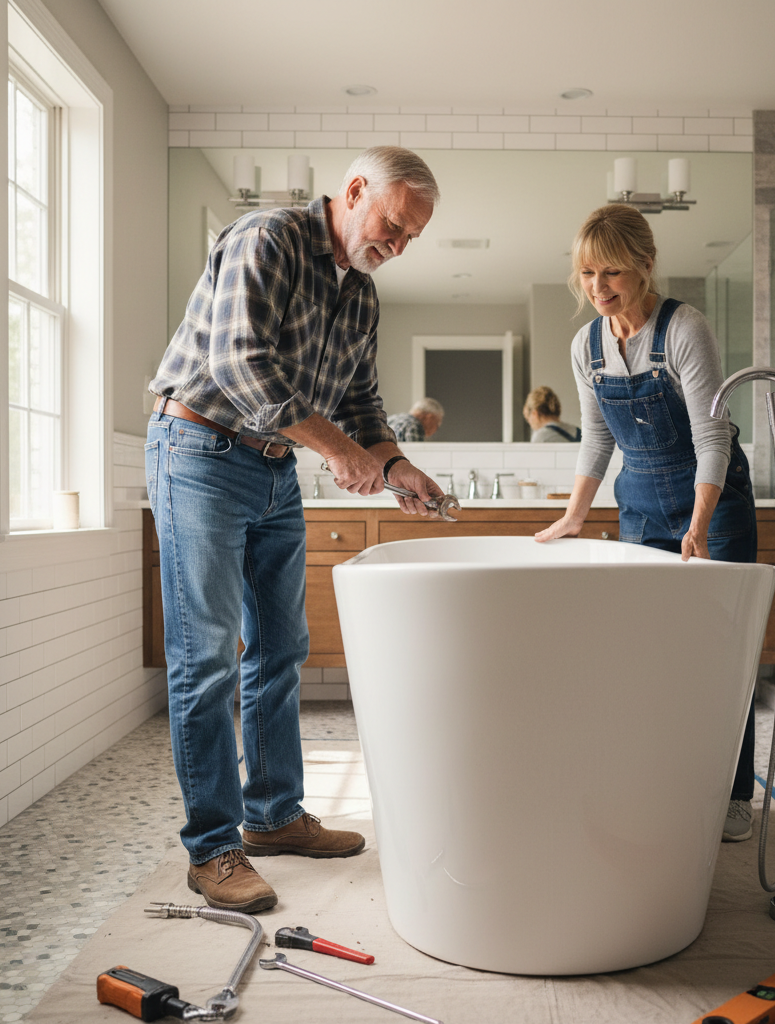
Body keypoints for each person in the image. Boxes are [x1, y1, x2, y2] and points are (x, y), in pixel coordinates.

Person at [145, 146, 442, 913]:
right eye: (393, 225)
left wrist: (395, 462)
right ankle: (213, 848)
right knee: (205, 656)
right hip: (199, 451)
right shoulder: (267, 239)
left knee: (282, 648)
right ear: (352, 191)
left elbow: (364, 404)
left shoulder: (362, 295)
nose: (397, 246)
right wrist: (341, 453)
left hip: (275, 468)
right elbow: (240, 363)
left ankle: (274, 816)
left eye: (412, 237)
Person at [534, 204, 758, 843]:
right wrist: (574, 516)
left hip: (713, 500)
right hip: (639, 503)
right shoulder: (587, 344)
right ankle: (663, 784)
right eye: (587, 275)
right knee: (649, 650)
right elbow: (598, 439)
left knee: (722, 651)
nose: (598, 289)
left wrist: (700, 521)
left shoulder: (684, 328)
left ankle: (734, 794)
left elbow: (712, 435)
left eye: (612, 273)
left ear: (645, 266)